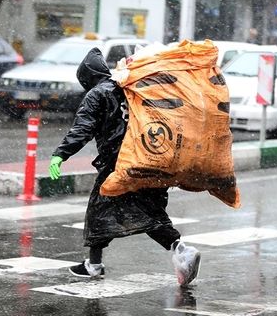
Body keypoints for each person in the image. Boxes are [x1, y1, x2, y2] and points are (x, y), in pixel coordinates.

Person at [48, 47, 201, 287]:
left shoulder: (98, 94)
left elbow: (83, 128)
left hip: (118, 164)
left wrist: (60, 154)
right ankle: (179, 249)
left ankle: (96, 265)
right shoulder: (128, 87)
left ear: (88, 77)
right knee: (148, 210)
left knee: (99, 210)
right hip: (149, 157)